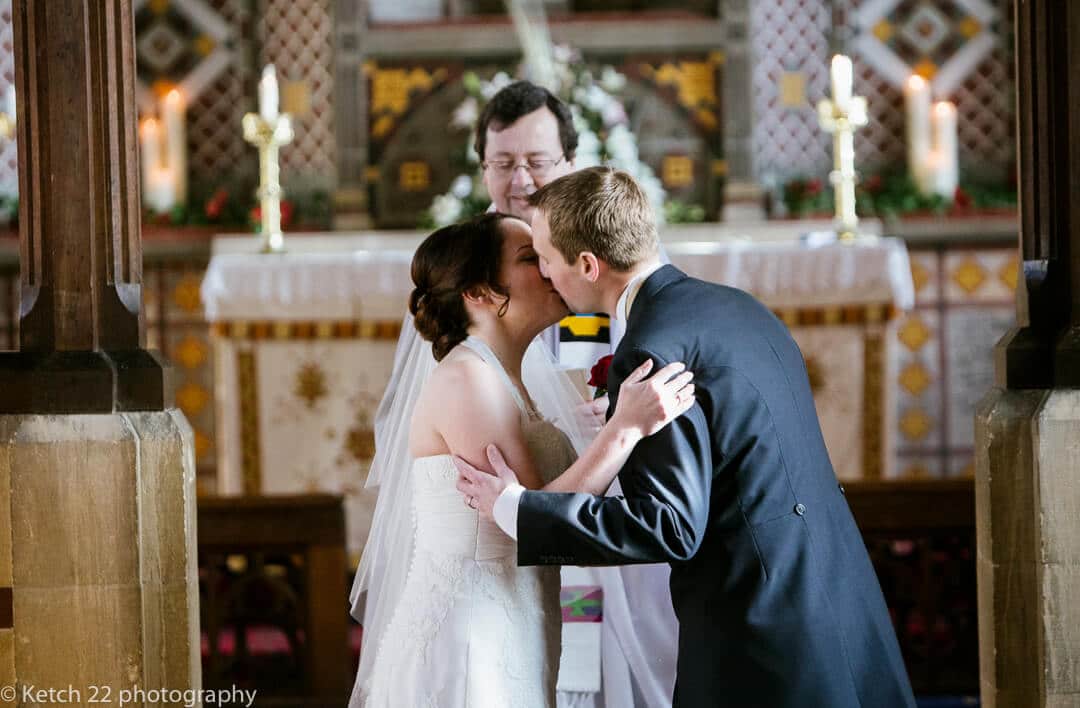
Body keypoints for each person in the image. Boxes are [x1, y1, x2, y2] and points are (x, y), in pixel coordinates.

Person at [456, 168, 918, 708]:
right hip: (833, 594)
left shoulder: (650, 347)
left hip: (757, 622)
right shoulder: (737, 307)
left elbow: (669, 525)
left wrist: (517, 509)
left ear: (587, 264)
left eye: (546, 258)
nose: (546, 275)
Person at [357, 79, 681, 708]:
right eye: (504, 163)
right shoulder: (470, 360)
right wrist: (623, 429)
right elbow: (532, 518)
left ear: (569, 161)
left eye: (538, 161)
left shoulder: (586, 278)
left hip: (542, 595)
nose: (522, 179)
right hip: (479, 621)